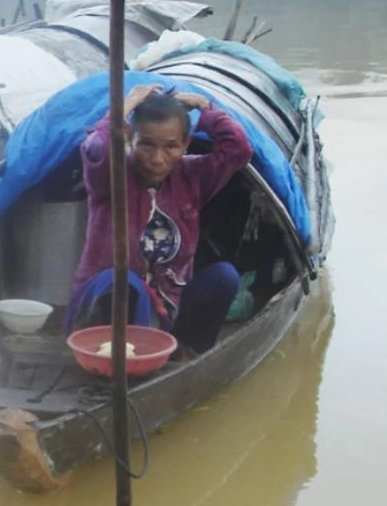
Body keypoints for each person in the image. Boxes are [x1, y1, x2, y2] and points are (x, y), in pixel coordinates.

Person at [69, 83, 254, 355]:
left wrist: (205, 108)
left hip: (169, 306)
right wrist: (126, 106)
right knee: (125, 282)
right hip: (107, 313)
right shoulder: (111, 176)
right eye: (146, 145)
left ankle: (187, 353)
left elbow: (238, 149)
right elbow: (97, 145)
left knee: (224, 277)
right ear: (131, 140)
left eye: (171, 147)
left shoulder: (193, 177)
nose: (157, 159)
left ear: (185, 145)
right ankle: (135, 358)